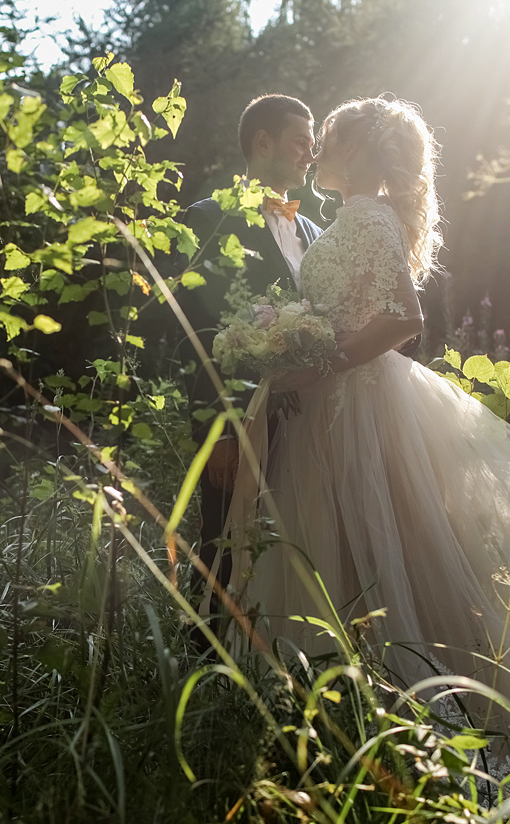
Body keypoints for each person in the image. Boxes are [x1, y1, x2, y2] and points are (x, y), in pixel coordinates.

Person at [240, 97, 510, 777]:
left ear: (359, 155)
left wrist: (321, 361)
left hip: (362, 403)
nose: (317, 152)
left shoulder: (367, 216)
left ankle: (424, 729)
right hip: (331, 405)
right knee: (355, 548)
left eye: (330, 140)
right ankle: (362, 718)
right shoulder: (348, 219)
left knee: (388, 551)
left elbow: (404, 318)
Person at [176, 94, 323, 633]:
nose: (311, 153)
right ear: (262, 142)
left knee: (289, 546)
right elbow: (196, 334)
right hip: (236, 419)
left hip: (307, 418)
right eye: (300, 142)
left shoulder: (310, 233)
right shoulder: (210, 217)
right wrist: (217, 428)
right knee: (224, 545)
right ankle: (206, 678)